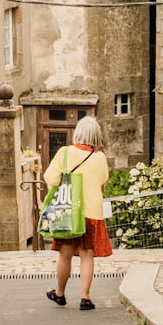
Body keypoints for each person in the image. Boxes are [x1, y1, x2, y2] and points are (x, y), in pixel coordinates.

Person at [43, 116, 111, 311]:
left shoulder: (65, 153)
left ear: (78, 133)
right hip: (92, 213)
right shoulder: (100, 157)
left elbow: (51, 178)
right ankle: (85, 297)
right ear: (96, 136)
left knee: (65, 256)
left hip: (67, 211)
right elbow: (102, 179)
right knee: (87, 255)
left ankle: (60, 294)